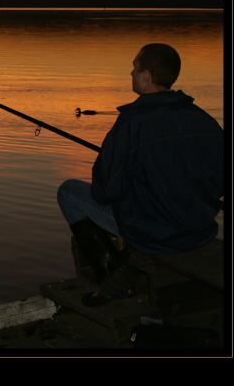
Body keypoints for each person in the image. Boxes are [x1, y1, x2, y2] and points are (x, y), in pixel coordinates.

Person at [57, 43, 224, 305]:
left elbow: (104, 192)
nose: (131, 73)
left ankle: (113, 277)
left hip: (154, 232)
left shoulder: (132, 123)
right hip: (199, 229)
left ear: (146, 76)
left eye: (135, 68)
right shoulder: (205, 120)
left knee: (68, 191)